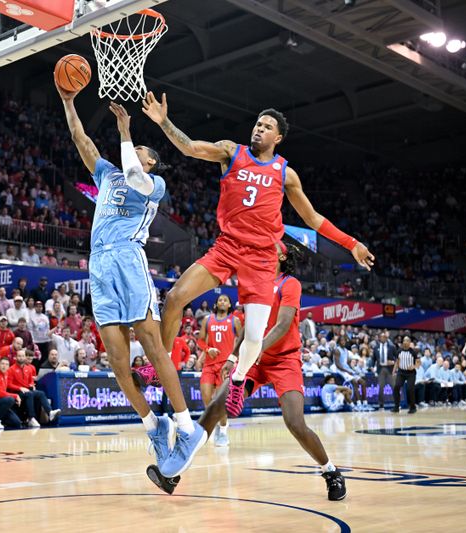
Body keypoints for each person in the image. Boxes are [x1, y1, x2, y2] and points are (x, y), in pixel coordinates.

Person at [142, 94, 373, 421]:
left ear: (277, 138)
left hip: (262, 258)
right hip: (227, 246)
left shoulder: (285, 174)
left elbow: (313, 219)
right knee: (176, 297)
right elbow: (190, 147)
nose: (259, 130)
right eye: (257, 124)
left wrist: (351, 244)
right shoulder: (230, 151)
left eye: (267, 127)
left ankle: (238, 380)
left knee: (253, 337)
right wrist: (163, 122)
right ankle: (159, 365)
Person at [58, 86, 204, 478]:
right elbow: (80, 139)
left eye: (142, 148)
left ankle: (188, 428)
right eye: (133, 145)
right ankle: (155, 426)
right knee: (118, 365)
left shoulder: (154, 186)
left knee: (154, 347)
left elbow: (136, 173)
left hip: (127, 258)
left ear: (152, 161)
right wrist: (69, 101)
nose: (136, 149)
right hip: (99, 266)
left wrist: (126, 130)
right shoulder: (107, 173)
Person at [206, 242, 347, 500]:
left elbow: (282, 325)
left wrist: (257, 348)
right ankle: (177, 465)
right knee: (218, 402)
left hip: (284, 360)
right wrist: (233, 356)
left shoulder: (289, 283)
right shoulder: (255, 284)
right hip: (256, 360)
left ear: (281, 256)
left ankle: (331, 472)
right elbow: (249, 327)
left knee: (295, 422)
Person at [196, 294, 241, 447]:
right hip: (209, 364)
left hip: (225, 366)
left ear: (229, 305)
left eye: (225, 300)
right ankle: (215, 423)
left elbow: (242, 342)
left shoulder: (234, 321)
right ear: (216, 304)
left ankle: (222, 430)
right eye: (220, 300)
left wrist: (235, 359)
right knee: (207, 397)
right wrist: (208, 349)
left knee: (221, 401)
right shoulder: (207, 319)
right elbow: (200, 340)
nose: (222, 301)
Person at [7, 349, 60, 427]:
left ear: (25, 357)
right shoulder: (11, 369)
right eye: (19, 356)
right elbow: (8, 384)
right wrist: (20, 388)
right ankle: (31, 418)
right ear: (15, 357)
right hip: (17, 392)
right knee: (29, 394)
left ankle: (50, 412)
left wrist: (32, 385)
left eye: (22, 356)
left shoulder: (28, 369)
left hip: (27, 390)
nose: (21, 358)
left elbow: (30, 381)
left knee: (41, 393)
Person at [391, 336, 417, 414]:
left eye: (407, 341)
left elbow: (418, 362)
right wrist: (393, 371)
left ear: (409, 343)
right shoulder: (399, 351)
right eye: (404, 341)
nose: (405, 342)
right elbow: (397, 362)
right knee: (396, 387)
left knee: (410, 389)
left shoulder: (413, 352)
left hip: (411, 373)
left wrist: (413, 366)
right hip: (401, 372)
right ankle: (396, 407)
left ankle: (412, 407)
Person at [373, 332, 396, 410]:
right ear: (379, 338)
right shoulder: (376, 347)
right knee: (380, 387)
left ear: (386, 338)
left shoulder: (392, 347)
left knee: (393, 386)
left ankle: (396, 403)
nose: (383, 338)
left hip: (389, 369)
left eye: (384, 337)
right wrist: (373, 368)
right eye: (381, 337)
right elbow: (373, 359)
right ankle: (381, 405)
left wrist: (393, 362)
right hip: (381, 369)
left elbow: (396, 358)